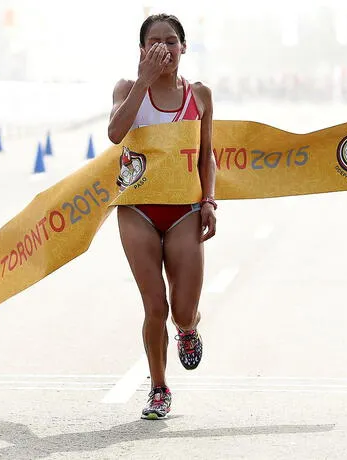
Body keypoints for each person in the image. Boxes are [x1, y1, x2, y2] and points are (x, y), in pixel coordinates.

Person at [107, 13, 217, 420]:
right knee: (155, 308)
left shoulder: (200, 95)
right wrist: (144, 81)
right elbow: (116, 133)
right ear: (142, 50)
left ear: (184, 48)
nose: (164, 48)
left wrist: (209, 200)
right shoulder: (126, 88)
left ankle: (188, 329)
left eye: (171, 41)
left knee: (182, 310)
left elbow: (207, 155)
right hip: (137, 208)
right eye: (154, 42)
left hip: (184, 210)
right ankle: (158, 388)